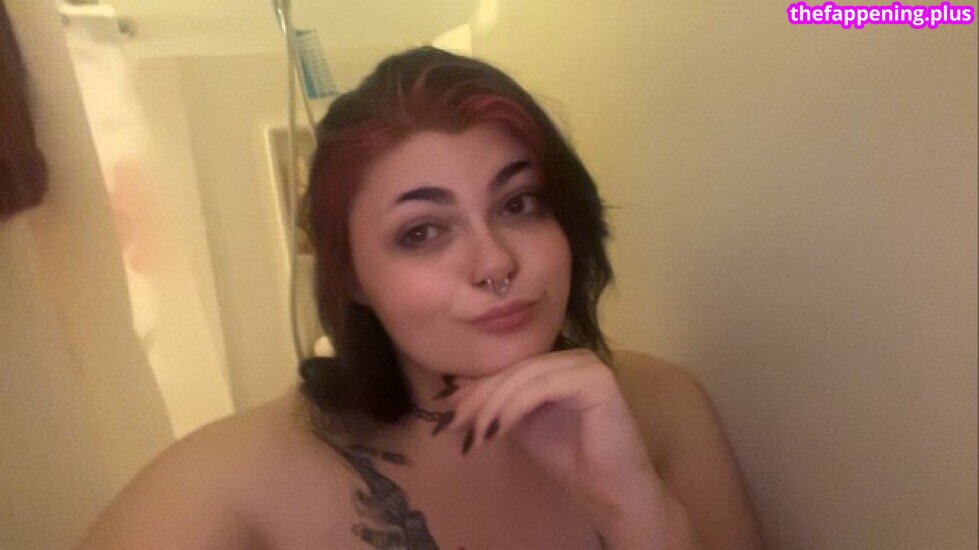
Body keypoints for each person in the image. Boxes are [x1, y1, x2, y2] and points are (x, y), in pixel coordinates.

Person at [78, 46, 765, 549]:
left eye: (519, 203)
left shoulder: (661, 408)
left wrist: (636, 513)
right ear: (353, 277)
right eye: (422, 232)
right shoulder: (231, 481)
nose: (494, 262)